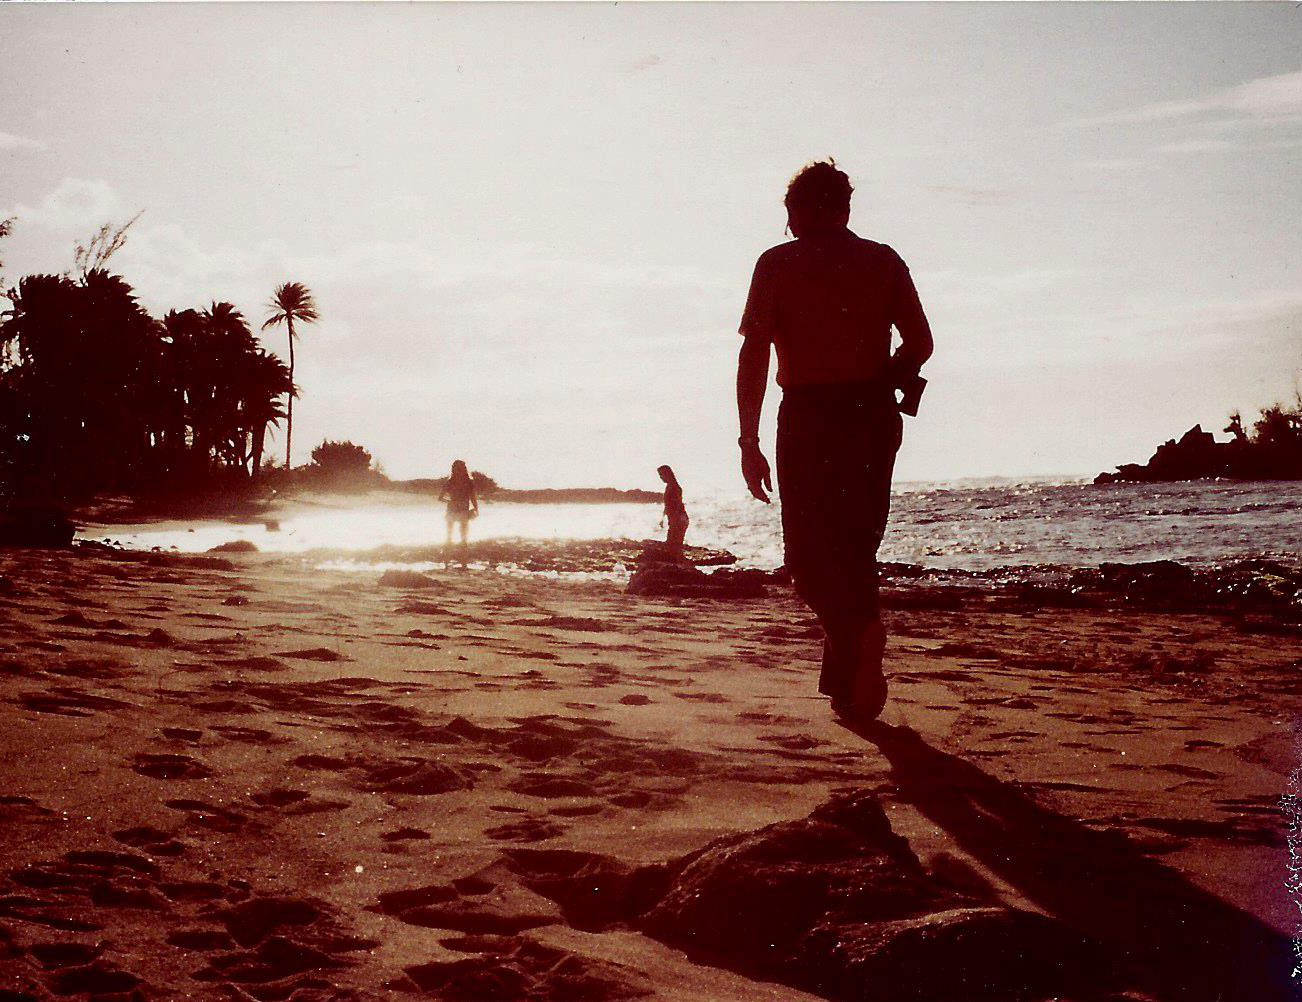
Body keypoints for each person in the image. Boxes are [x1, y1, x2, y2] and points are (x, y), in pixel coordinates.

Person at [735, 160, 933, 720]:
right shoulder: (882, 260)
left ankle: (861, 636)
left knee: (805, 557)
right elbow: (921, 341)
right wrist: (888, 375)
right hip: (870, 412)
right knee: (854, 548)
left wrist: (748, 439)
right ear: (844, 209)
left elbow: (753, 354)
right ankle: (848, 684)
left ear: (796, 212)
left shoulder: (777, 264)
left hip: (809, 414)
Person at [439, 459, 479, 545]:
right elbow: (440, 498)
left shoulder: (469, 482)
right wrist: (450, 502)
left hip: (463, 506)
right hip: (454, 507)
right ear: (453, 469)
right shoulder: (449, 482)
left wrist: (476, 508)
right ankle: (449, 541)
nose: (459, 470)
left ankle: (463, 542)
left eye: (460, 468)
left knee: (463, 525)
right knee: (451, 525)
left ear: (464, 469)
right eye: (457, 468)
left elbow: (473, 496)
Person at [657, 465, 689, 559]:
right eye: (660, 476)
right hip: (677, 519)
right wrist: (662, 519)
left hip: (679, 519)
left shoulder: (674, 487)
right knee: (672, 546)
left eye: (662, 475)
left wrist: (675, 520)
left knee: (674, 546)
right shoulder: (670, 486)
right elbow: (667, 505)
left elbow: (677, 505)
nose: (661, 478)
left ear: (667, 474)